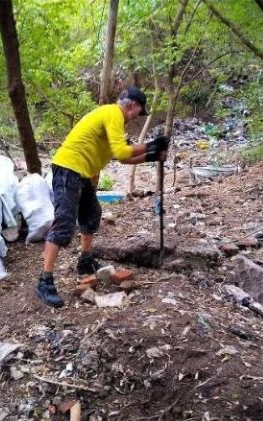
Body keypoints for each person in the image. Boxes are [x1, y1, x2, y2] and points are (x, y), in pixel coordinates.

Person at [36, 86, 169, 308]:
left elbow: (124, 157)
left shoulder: (114, 125)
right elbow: (120, 152)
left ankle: (85, 261)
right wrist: (152, 146)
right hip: (68, 168)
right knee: (64, 223)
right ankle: (45, 281)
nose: (137, 117)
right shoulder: (113, 113)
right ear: (132, 105)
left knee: (91, 214)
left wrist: (151, 155)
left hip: (82, 173)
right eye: (139, 112)